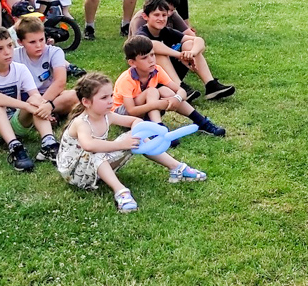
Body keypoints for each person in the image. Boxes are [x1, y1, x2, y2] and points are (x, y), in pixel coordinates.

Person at [57, 72, 206, 213]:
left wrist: (138, 132)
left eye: (111, 96)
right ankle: (120, 191)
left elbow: (136, 120)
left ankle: (177, 168)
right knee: (96, 152)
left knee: (135, 137)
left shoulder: (107, 115)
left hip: (96, 165)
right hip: (76, 173)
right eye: (104, 98)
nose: (110, 101)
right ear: (86, 102)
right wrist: (122, 144)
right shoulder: (81, 123)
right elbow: (89, 145)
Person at [0, 26, 55, 171]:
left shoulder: (20, 69)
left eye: (9, 46)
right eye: (0, 49)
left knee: (34, 100)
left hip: (14, 123)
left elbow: (35, 95)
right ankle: (15, 148)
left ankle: (49, 144)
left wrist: (44, 106)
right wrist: (25, 105)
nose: (8, 52)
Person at [113, 35, 225, 136]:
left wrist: (177, 98)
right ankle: (159, 131)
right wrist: (157, 104)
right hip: (124, 116)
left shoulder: (156, 70)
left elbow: (181, 91)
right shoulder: (126, 79)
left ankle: (202, 122)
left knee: (166, 91)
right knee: (152, 91)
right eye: (144, 58)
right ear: (132, 63)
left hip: (145, 109)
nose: (151, 60)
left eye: (152, 55)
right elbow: (131, 110)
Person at [130, 0, 234, 100]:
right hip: (149, 78)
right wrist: (179, 55)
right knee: (158, 53)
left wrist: (191, 53)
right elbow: (151, 45)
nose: (161, 19)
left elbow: (198, 40)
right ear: (145, 16)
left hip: (167, 74)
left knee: (189, 44)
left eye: (164, 15)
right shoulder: (141, 33)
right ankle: (179, 88)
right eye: (156, 15)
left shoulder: (167, 31)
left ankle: (211, 85)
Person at [13, 14, 79, 135]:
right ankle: (47, 115)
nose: (39, 45)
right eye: (32, 42)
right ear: (20, 42)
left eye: (41, 40)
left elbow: (60, 82)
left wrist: (45, 105)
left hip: (51, 96)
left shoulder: (54, 52)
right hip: (27, 98)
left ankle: (43, 114)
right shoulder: (14, 56)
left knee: (74, 95)